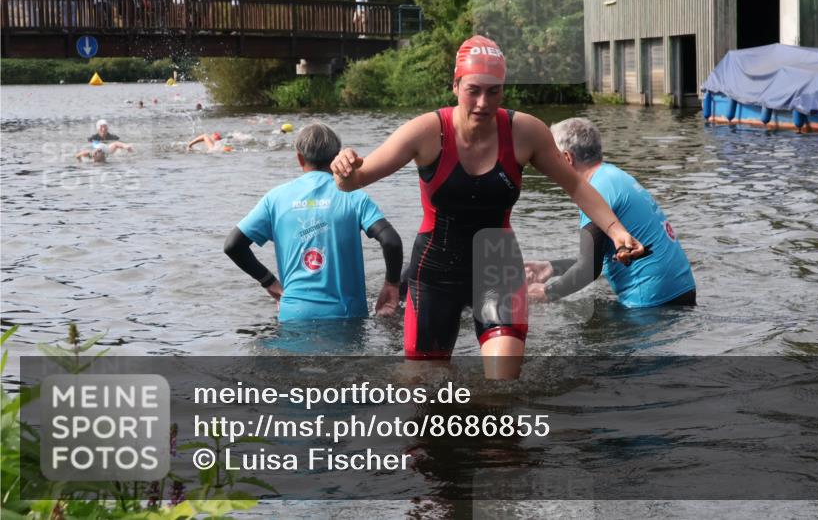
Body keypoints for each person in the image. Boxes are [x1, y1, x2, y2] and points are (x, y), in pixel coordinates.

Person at [330, 35, 646, 379]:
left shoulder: (525, 132)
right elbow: (355, 180)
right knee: (424, 396)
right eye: (473, 90)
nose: (483, 102)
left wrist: (617, 232)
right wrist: (344, 167)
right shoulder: (426, 131)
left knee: (502, 389)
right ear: (455, 85)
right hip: (436, 273)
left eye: (493, 91)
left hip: (498, 267)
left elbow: (575, 185)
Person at [224, 123, 403, 321]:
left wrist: (269, 282)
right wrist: (391, 285)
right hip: (346, 317)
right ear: (336, 158)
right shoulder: (353, 196)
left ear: (300, 158)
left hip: (293, 316)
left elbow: (233, 245)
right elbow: (391, 241)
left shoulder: (274, 199)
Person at [523, 118, 696, 308]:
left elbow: (588, 269)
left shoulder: (596, 191)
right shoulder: (613, 176)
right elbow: (599, 259)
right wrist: (551, 267)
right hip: (681, 291)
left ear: (566, 159)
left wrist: (545, 293)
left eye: (550, 157)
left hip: (651, 303)